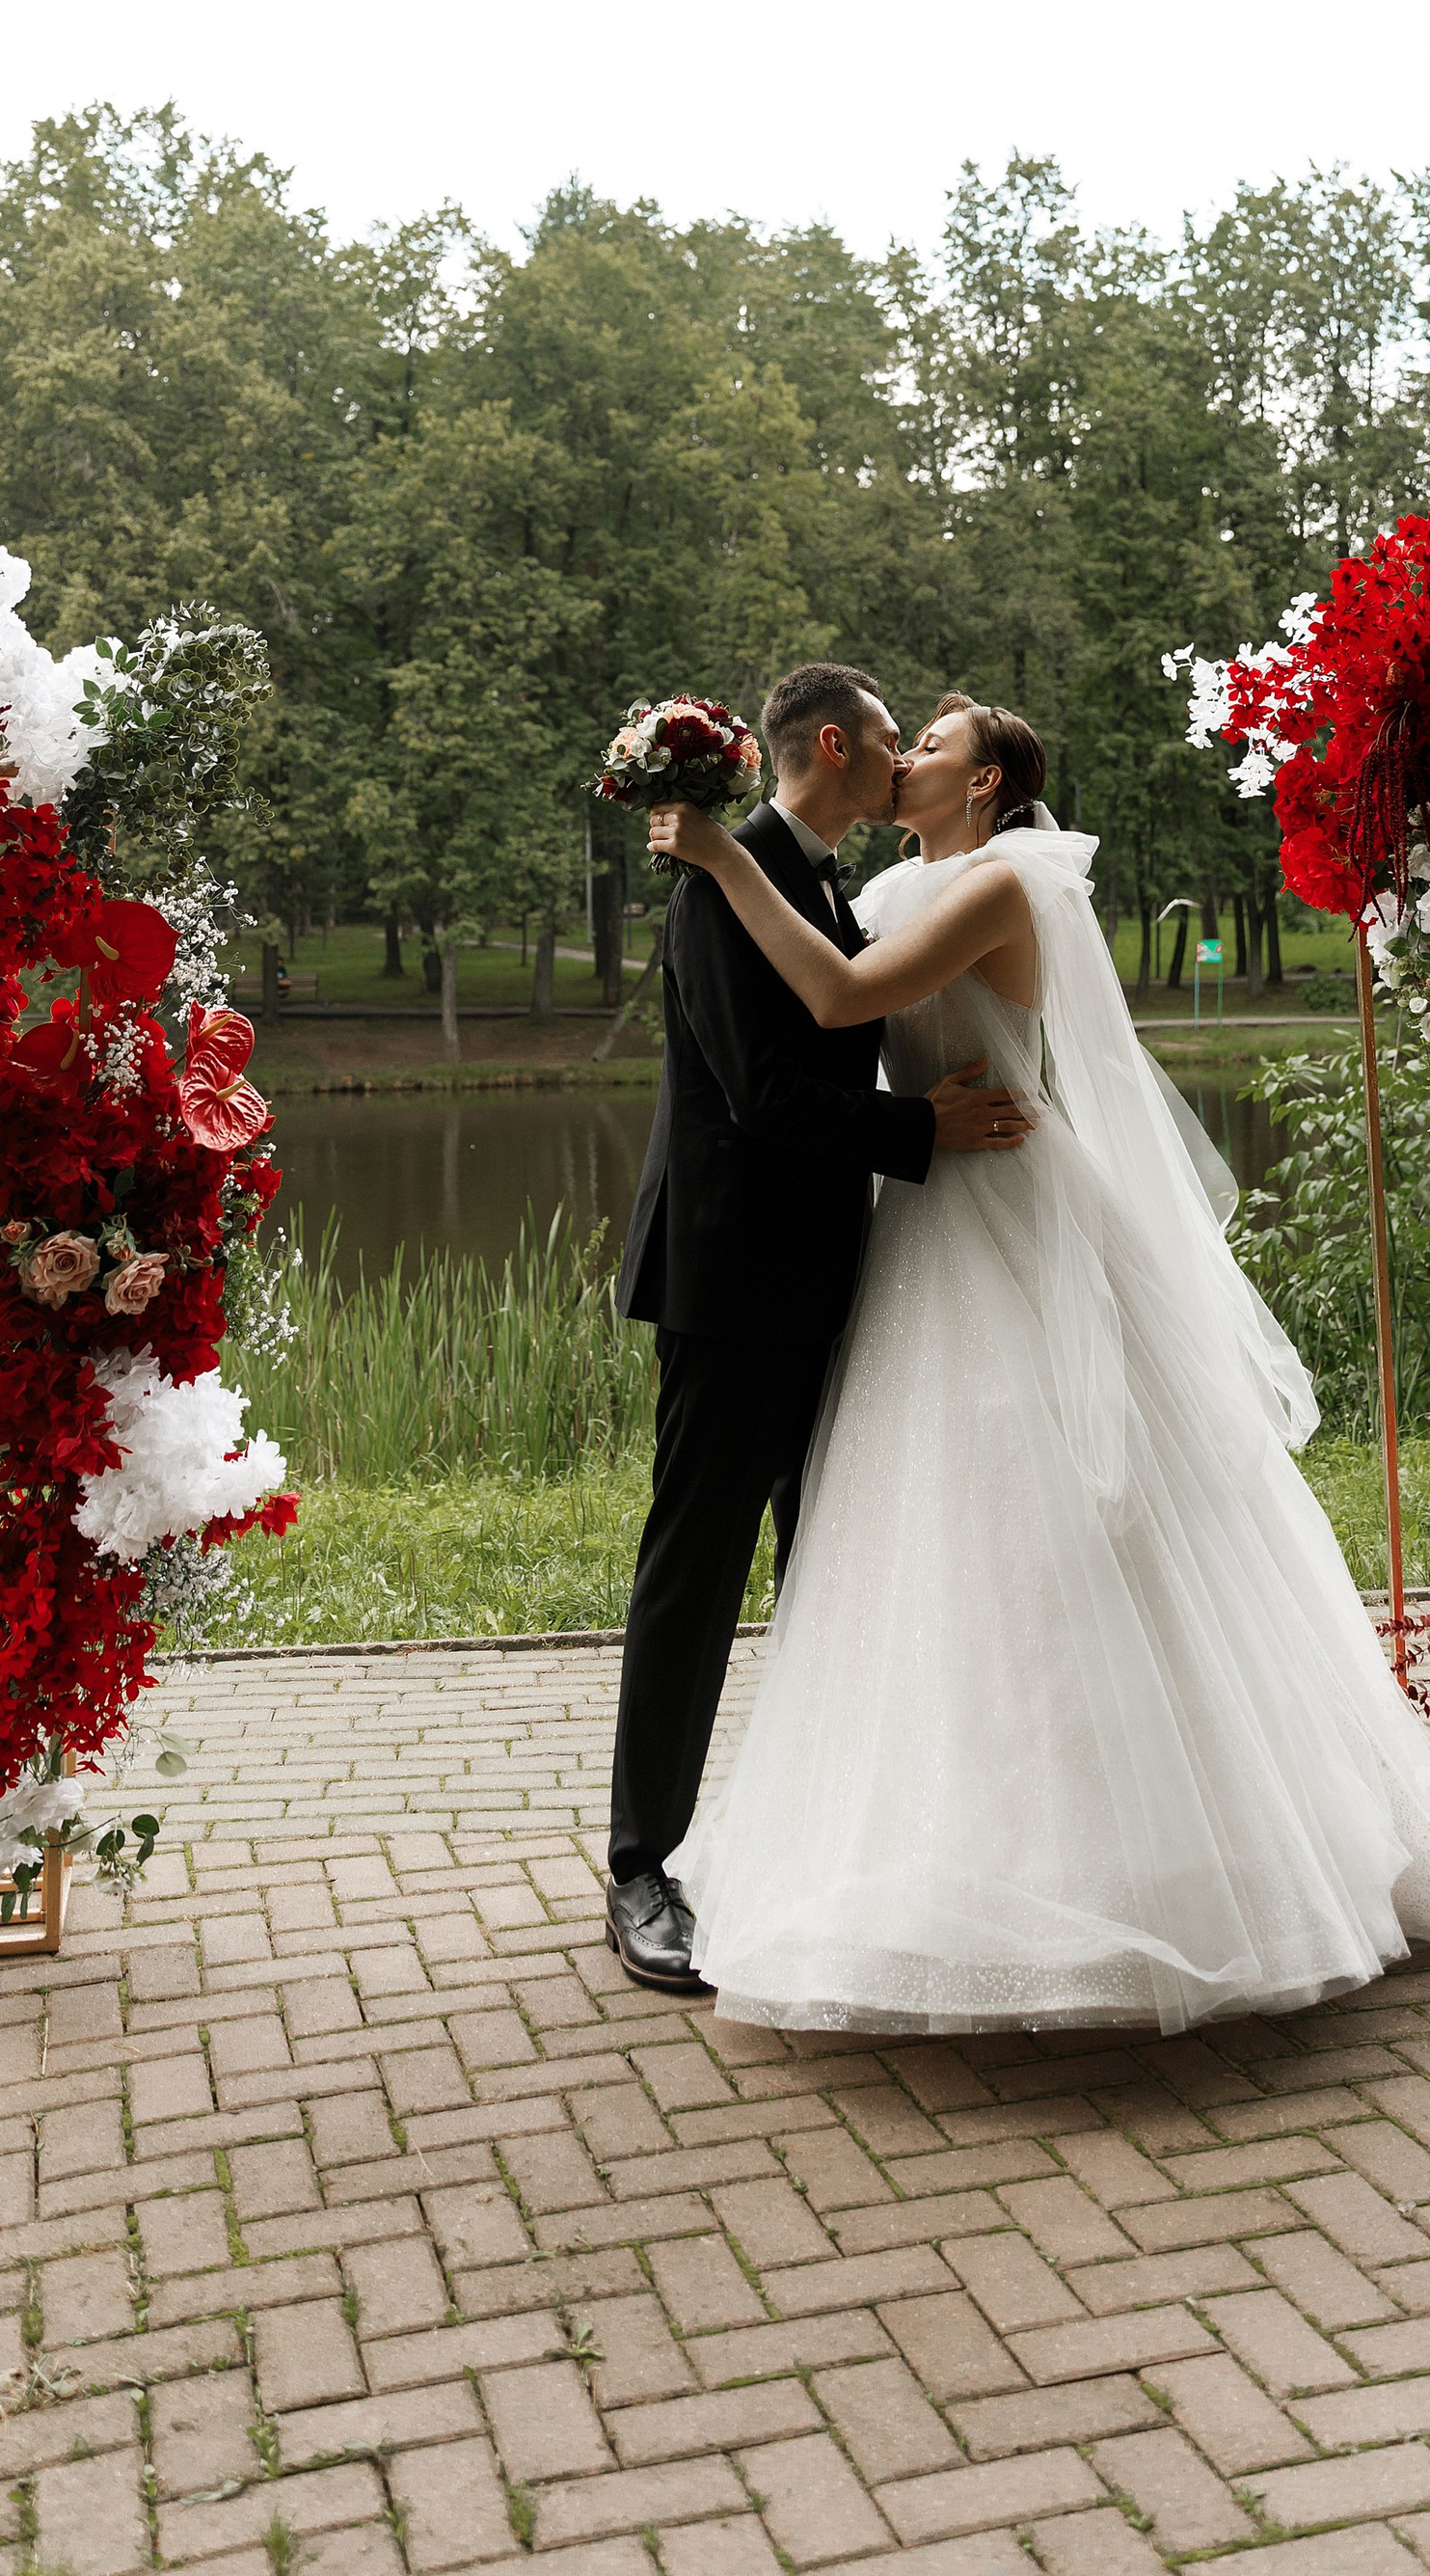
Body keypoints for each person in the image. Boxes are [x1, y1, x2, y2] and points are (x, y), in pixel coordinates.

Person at [643, 694, 1430, 2037]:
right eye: (897, 738)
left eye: (927, 745)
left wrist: (716, 855)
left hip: (1000, 1208)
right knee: (925, 1537)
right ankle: (906, 1844)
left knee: (1051, 1522)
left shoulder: (1006, 886)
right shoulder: (892, 878)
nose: (907, 758)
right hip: (921, 1220)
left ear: (983, 781)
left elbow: (840, 994)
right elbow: (790, 1049)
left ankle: (1156, 1861)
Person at [605, 663, 1035, 1993]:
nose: (904, 760)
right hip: (732, 1288)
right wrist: (922, 1129)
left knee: (827, 1567)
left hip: (835, 1280)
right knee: (697, 1569)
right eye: (891, 741)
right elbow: (763, 1097)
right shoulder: (717, 891)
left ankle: (817, 1842)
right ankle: (639, 1867)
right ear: (836, 747)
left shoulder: (830, 884)